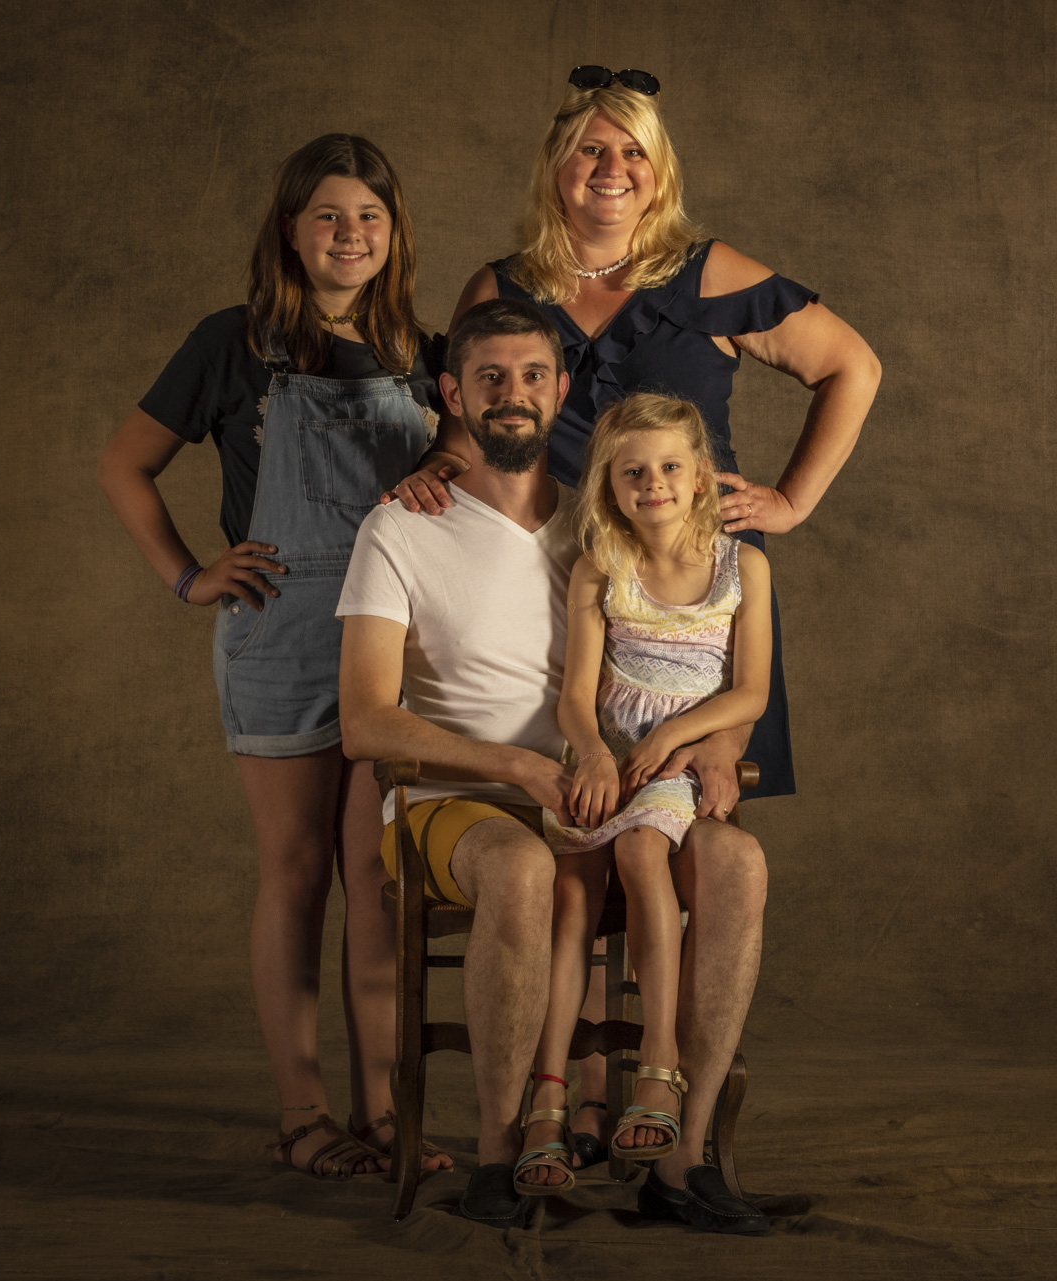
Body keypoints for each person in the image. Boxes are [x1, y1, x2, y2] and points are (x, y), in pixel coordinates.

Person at [384, 63, 880, 1167]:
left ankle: (672, 1129)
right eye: (590, 151)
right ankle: (575, 1106)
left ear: (660, 171)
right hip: (569, 592)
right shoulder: (504, 283)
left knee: (687, 844)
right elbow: (469, 412)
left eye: (633, 153)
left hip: (694, 614)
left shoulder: (709, 273)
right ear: (554, 166)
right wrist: (431, 470)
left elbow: (853, 364)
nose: (611, 170)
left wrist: (792, 500)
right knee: (585, 853)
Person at [339, 299, 770, 1233]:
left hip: (608, 791)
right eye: (489, 376)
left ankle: (682, 1157)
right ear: (453, 395)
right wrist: (519, 767)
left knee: (737, 862)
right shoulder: (402, 527)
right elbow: (364, 721)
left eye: (534, 374)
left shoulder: (607, 516)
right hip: (457, 800)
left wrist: (719, 743)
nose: (514, 392)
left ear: (561, 389)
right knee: (521, 867)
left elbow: (699, 652)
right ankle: (503, 1150)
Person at [97, 134, 451, 1179]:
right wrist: (187, 575)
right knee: (296, 870)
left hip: (391, 635)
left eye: (369, 216)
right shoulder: (234, 342)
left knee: (374, 875)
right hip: (280, 628)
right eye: (328, 215)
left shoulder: (422, 352)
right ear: (290, 230)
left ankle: (384, 1114)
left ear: (394, 233)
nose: (350, 234)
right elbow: (123, 465)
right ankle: (304, 1116)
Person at [522, 392, 770, 1190]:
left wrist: (675, 740)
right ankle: (548, 1098)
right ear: (609, 483)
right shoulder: (601, 566)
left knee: (638, 848)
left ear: (700, 477)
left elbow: (751, 691)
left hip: (672, 765)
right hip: (607, 758)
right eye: (632, 471)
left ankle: (658, 1061)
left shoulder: (743, 566)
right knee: (570, 897)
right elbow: (575, 696)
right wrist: (595, 752)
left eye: (669, 467)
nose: (652, 483)